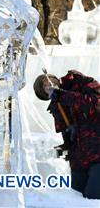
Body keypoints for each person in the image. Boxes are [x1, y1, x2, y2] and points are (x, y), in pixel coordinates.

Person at [33, 70, 100, 199]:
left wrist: (63, 95)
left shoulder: (80, 82)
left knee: (93, 198)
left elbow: (94, 104)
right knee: (76, 199)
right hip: (79, 161)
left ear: (53, 77)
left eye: (48, 81)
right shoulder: (57, 107)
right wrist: (65, 146)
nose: (49, 85)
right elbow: (68, 135)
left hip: (98, 155)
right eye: (45, 87)